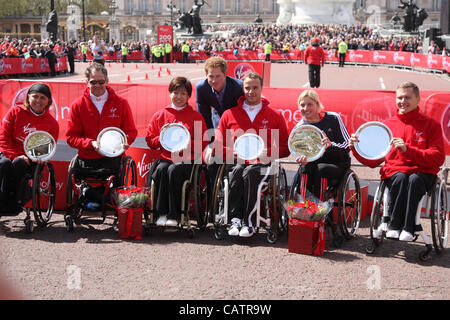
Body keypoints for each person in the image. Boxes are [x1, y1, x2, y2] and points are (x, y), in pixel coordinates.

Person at [349, 82, 445, 241]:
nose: (403, 101)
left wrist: (409, 150)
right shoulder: (387, 125)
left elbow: (438, 157)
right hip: (395, 173)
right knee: (400, 177)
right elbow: (373, 161)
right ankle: (394, 225)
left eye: (408, 97)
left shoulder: (430, 125)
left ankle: (409, 227)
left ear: (418, 99)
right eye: (400, 97)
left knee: (413, 179)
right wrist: (355, 148)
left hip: (422, 172)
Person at [213, 72, 290, 237]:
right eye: (247, 88)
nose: (251, 91)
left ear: (262, 88)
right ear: (243, 89)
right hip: (237, 162)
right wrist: (234, 153)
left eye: (255, 87)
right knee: (238, 171)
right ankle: (235, 220)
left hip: (263, 165)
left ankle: (249, 223)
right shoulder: (229, 114)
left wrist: (268, 153)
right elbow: (218, 148)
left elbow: (285, 147)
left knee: (250, 172)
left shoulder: (274, 116)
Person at [65, 63, 138, 203]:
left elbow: (131, 131)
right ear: (87, 83)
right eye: (93, 82)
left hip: (113, 157)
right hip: (88, 157)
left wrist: (125, 141)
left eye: (101, 81)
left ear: (107, 81)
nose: (97, 85)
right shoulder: (77, 105)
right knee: (94, 192)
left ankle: (96, 196)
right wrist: (90, 143)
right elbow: (70, 137)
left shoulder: (121, 103)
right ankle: (95, 196)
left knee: (110, 183)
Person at [145, 77, 207, 227]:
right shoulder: (160, 115)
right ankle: (161, 213)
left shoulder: (195, 117)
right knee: (161, 170)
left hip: (186, 160)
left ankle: (175, 215)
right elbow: (150, 140)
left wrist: (188, 145)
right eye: (175, 92)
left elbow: (203, 142)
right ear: (169, 93)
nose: (178, 97)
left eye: (183, 93)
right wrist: (161, 140)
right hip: (166, 157)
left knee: (173, 171)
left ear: (188, 96)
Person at [0, 83, 59, 215]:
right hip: (10, 154)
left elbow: (49, 147)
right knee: (4, 163)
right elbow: (3, 138)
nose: (38, 101)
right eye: (35, 97)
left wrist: (41, 157)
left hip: (31, 159)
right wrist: (15, 155)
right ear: (28, 98)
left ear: (48, 101)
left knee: (19, 164)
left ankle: (14, 203)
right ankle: (2, 200)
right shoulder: (15, 112)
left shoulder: (52, 123)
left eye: (42, 98)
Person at [294, 90, 351, 200]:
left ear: (317, 105)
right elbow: (297, 151)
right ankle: (304, 204)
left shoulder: (333, 118)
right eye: (302, 105)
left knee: (321, 169)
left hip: (337, 161)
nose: (306, 108)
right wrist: (301, 159)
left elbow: (347, 145)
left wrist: (331, 145)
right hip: (313, 163)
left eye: (310, 104)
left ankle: (320, 208)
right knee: (304, 168)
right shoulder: (299, 128)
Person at [195, 56, 244, 136]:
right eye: (211, 76)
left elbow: (243, 113)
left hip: (236, 120)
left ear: (225, 74)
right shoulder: (201, 88)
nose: (214, 81)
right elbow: (203, 116)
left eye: (218, 76)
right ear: (206, 75)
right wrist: (210, 140)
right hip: (216, 118)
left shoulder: (238, 87)